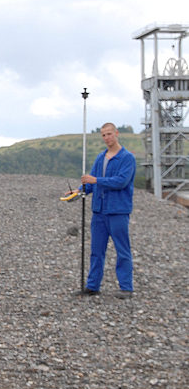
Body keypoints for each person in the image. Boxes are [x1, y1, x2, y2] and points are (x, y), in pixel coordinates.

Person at [79, 122, 136, 299]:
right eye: (103, 135)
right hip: (99, 211)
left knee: (122, 250)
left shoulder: (127, 158)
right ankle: (92, 286)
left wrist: (95, 181)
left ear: (116, 133)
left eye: (109, 134)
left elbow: (121, 182)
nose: (107, 138)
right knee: (96, 250)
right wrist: (78, 191)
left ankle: (126, 288)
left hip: (118, 211)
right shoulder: (100, 157)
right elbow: (91, 184)